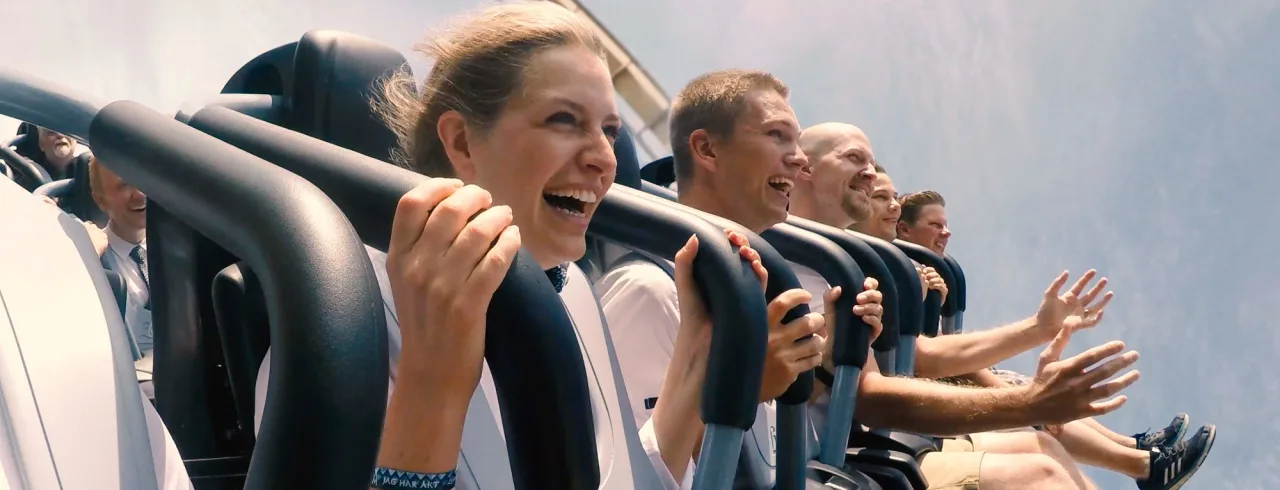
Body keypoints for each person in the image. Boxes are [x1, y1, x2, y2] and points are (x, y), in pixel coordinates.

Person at [248, 3, 753, 489]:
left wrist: (698, 353)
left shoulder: (568, 289)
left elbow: (617, 480)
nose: (605, 159)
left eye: (610, 130)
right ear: (463, 143)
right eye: (564, 120)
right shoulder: (341, 329)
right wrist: (432, 386)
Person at [893, 188, 1216, 489]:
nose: (946, 233)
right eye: (935, 224)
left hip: (933, 377)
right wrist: (1026, 402)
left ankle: (1136, 448)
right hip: (921, 393)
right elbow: (931, 355)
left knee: (1034, 399)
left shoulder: (925, 273)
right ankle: (1143, 462)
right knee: (1029, 403)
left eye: (946, 225)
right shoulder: (895, 268)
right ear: (904, 230)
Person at [88, 155, 156, 389]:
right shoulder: (93, 258)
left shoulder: (177, 246)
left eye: (141, 181)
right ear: (101, 202)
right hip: (132, 386)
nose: (139, 194)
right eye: (124, 184)